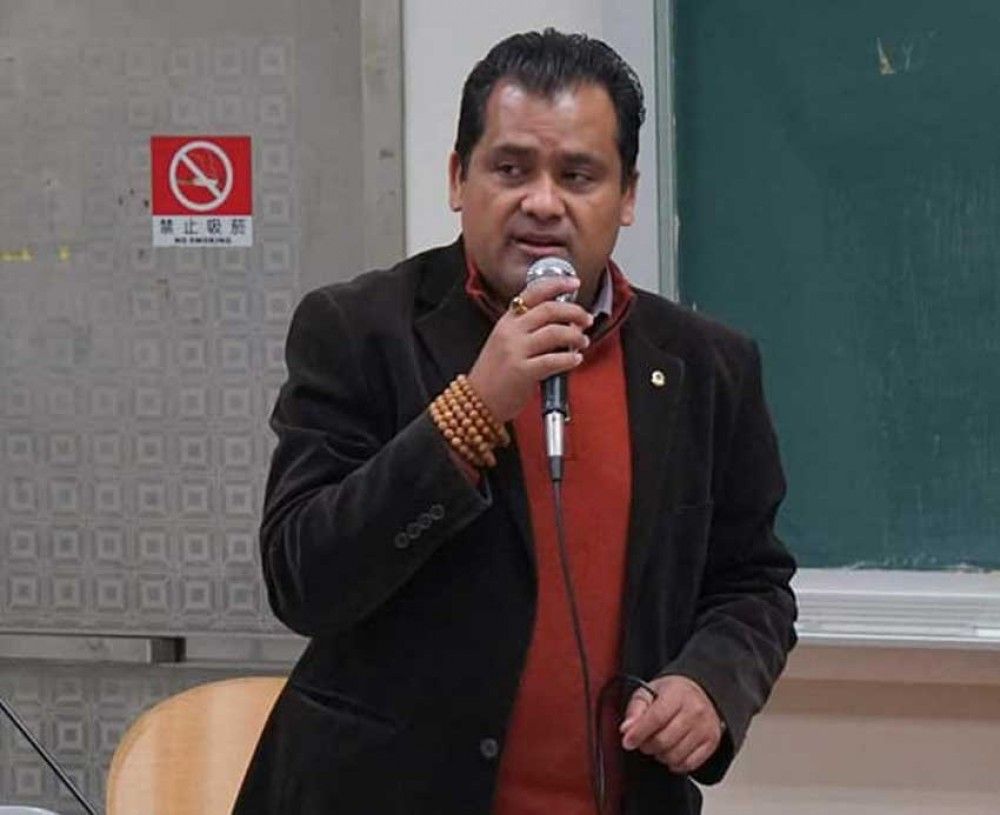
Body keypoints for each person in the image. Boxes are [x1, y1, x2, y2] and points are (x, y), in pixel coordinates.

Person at [233, 29, 796, 815]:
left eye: (578, 175)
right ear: (457, 178)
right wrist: (470, 410)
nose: (542, 202)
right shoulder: (359, 331)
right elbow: (304, 579)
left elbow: (752, 582)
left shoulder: (707, 367)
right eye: (510, 168)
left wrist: (711, 682)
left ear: (627, 196)